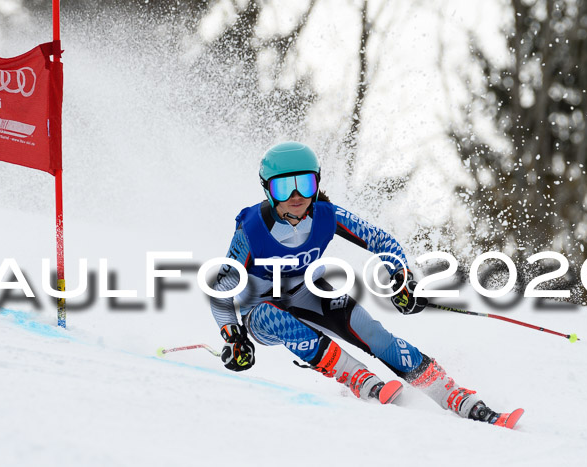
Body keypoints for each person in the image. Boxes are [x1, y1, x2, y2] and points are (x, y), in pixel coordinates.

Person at [210, 141, 520, 427]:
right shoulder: (252, 229)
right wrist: (232, 335)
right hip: (260, 312)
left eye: (304, 184)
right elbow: (221, 289)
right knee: (271, 315)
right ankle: (360, 379)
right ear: (268, 190)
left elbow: (380, 239)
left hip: (308, 293)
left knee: (372, 331)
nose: (296, 196)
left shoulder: (325, 216)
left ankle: (455, 396)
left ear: (317, 183)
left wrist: (401, 277)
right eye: (283, 187)